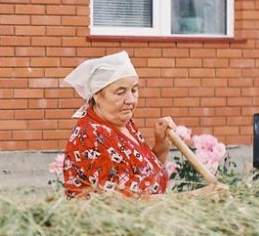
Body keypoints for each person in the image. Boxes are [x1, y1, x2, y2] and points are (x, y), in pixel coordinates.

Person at [61, 51, 175, 198]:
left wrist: (161, 147)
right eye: (120, 92)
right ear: (97, 95)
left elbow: (148, 179)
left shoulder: (125, 124)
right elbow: (128, 202)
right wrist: (194, 196)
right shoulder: (91, 137)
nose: (131, 100)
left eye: (134, 90)